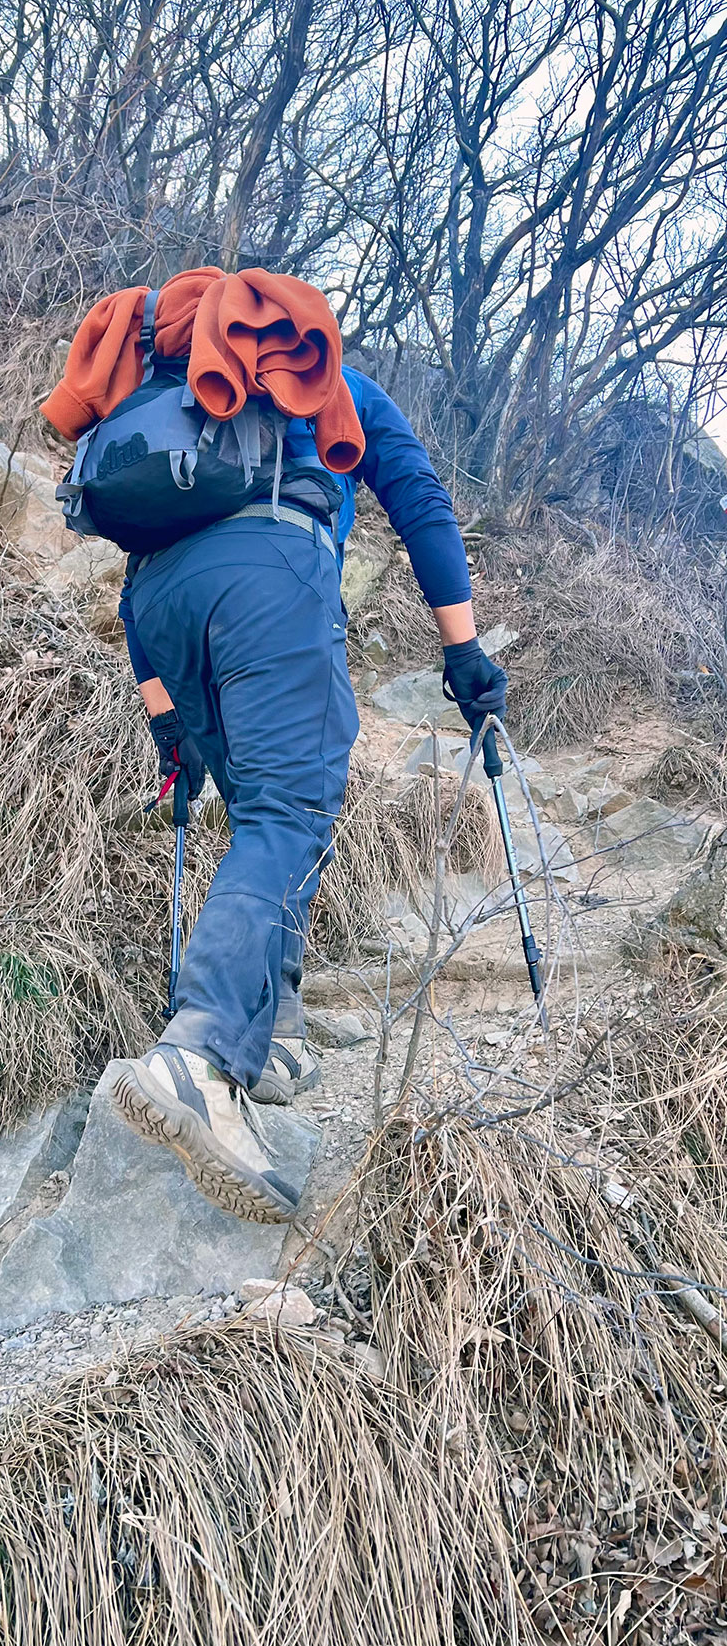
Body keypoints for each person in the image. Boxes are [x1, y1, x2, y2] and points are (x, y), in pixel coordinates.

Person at [104, 359, 507, 1226]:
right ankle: (200, 1054)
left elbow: (133, 568)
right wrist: (464, 651)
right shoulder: (342, 385)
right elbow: (421, 503)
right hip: (271, 573)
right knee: (291, 809)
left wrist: (166, 718)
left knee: (265, 817)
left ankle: (270, 1037)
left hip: (162, 606)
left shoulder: (173, 402)